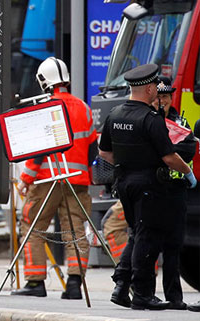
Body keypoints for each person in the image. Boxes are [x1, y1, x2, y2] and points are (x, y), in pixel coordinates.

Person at [99, 64, 196, 311]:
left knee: (137, 234)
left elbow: (104, 152)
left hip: (125, 183)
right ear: (150, 89)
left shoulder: (115, 114)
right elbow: (169, 158)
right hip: (149, 187)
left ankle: (123, 285)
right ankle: (142, 293)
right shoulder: (150, 119)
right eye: (157, 91)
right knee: (147, 237)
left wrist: (127, 164)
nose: (159, 96)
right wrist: (188, 172)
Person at [12, 57, 97, 299]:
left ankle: (35, 283)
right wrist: (87, 177)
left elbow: (39, 152)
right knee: (75, 231)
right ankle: (74, 284)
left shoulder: (44, 108)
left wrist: (25, 180)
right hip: (78, 182)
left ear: (42, 81)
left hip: (48, 180)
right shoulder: (84, 107)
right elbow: (92, 148)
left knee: (32, 228)